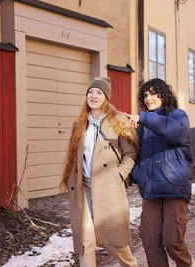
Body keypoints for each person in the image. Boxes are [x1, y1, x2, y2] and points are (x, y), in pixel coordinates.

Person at [61, 77, 138, 267]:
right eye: (90, 92)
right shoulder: (79, 123)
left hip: (108, 187)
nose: (93, 96)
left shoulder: (118, 119)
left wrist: (119, 175)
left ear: (106, 98)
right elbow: (73, 156)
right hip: (83, 188)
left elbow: (131, 153)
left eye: (99, 92)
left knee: (115, 243)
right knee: (86, 242)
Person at [125, 78, 195, 267]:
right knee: (149, 239)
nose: (149, 98)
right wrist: (137, 174)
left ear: (164, 95)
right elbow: (140, 155)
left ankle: (188, 265)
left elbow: (176, 132)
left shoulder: (178, 116)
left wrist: (145, 118)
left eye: (154, 93)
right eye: (145, 95)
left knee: (172, 240)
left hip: (174, 186)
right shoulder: (144, 127)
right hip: (151, 188)